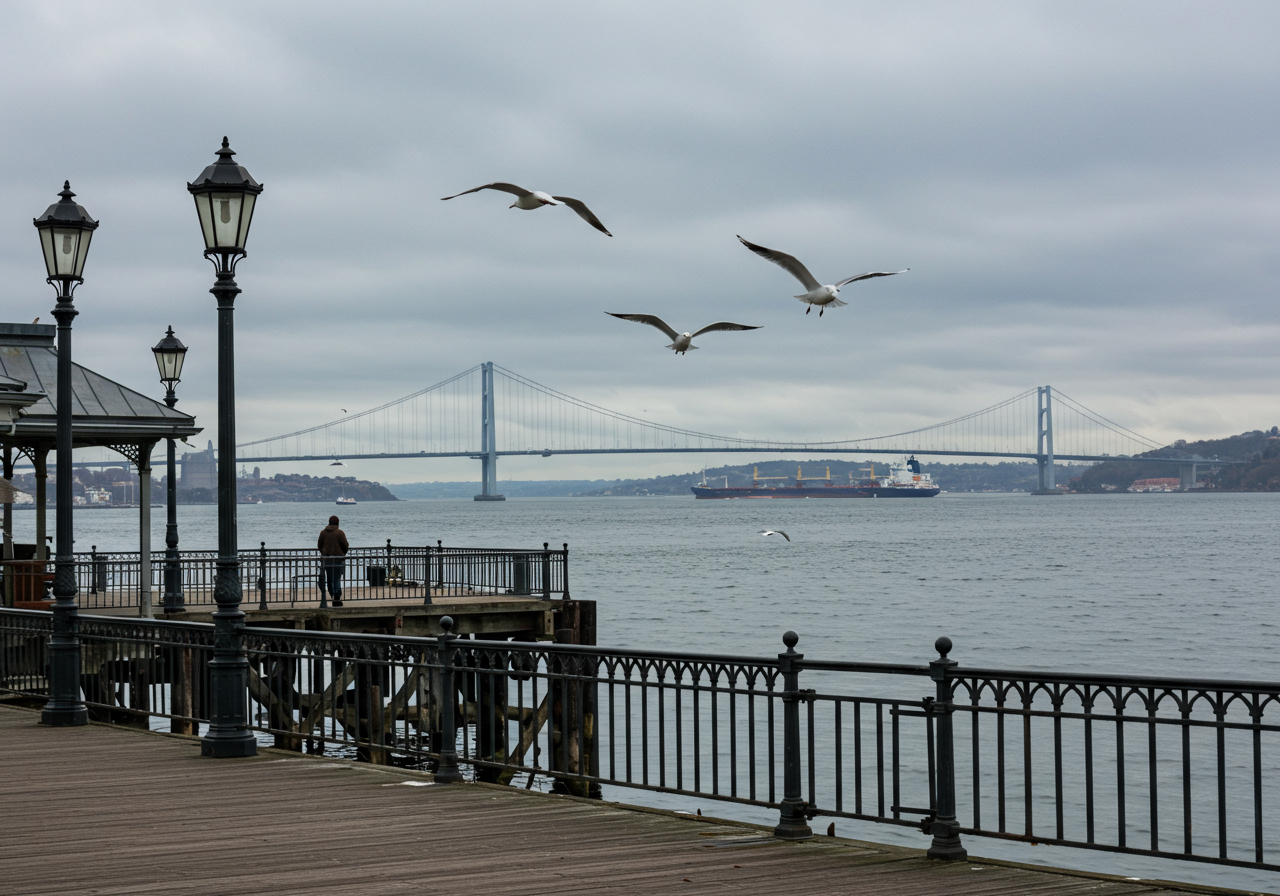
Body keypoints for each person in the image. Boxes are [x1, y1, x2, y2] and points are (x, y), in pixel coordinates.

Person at [317, 514, 350, 607]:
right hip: (338, 559)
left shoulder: (323, 533)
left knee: (329, 578)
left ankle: (331, 594)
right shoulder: (340, 533)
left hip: (326, 559)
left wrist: (324, 552)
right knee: (337, 578)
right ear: (337, 523)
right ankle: (337, 597)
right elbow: (345, 546)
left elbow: (319, 545)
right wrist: (343, 553)